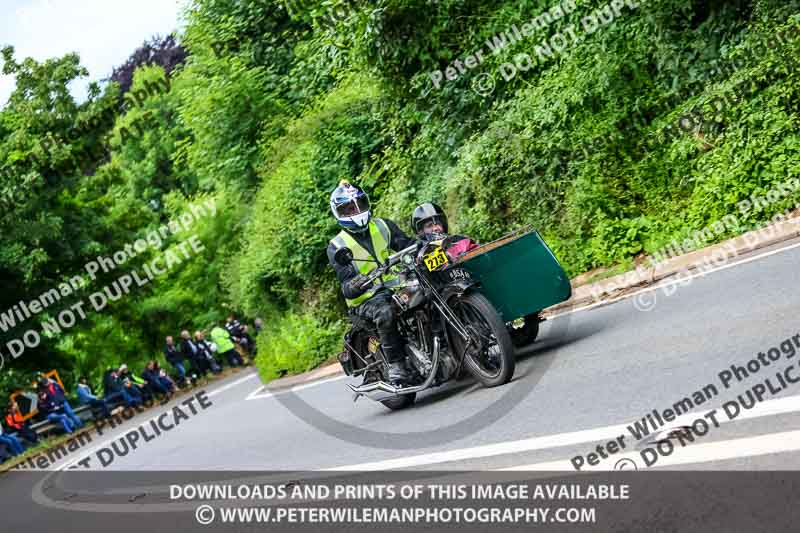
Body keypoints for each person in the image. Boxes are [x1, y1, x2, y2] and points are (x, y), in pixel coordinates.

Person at [327, 180, 415, 384]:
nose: (356, 210)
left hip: (397, 285)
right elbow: (346, 285)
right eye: (349, 208)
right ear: (339, 212)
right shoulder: (337, 246)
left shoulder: (383, 225)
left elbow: (406, 243)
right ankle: (396, 365)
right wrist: (356, 284)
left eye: (359, 204)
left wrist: (424, 244)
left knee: (426, 290)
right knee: (385, 312)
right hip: (368, 299)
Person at [411, 201, 479, 259]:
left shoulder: (460, 241)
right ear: (421, 232)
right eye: (429, 226)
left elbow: (480, 253)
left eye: (438, 223)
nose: (435, 228)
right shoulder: (417, 255)